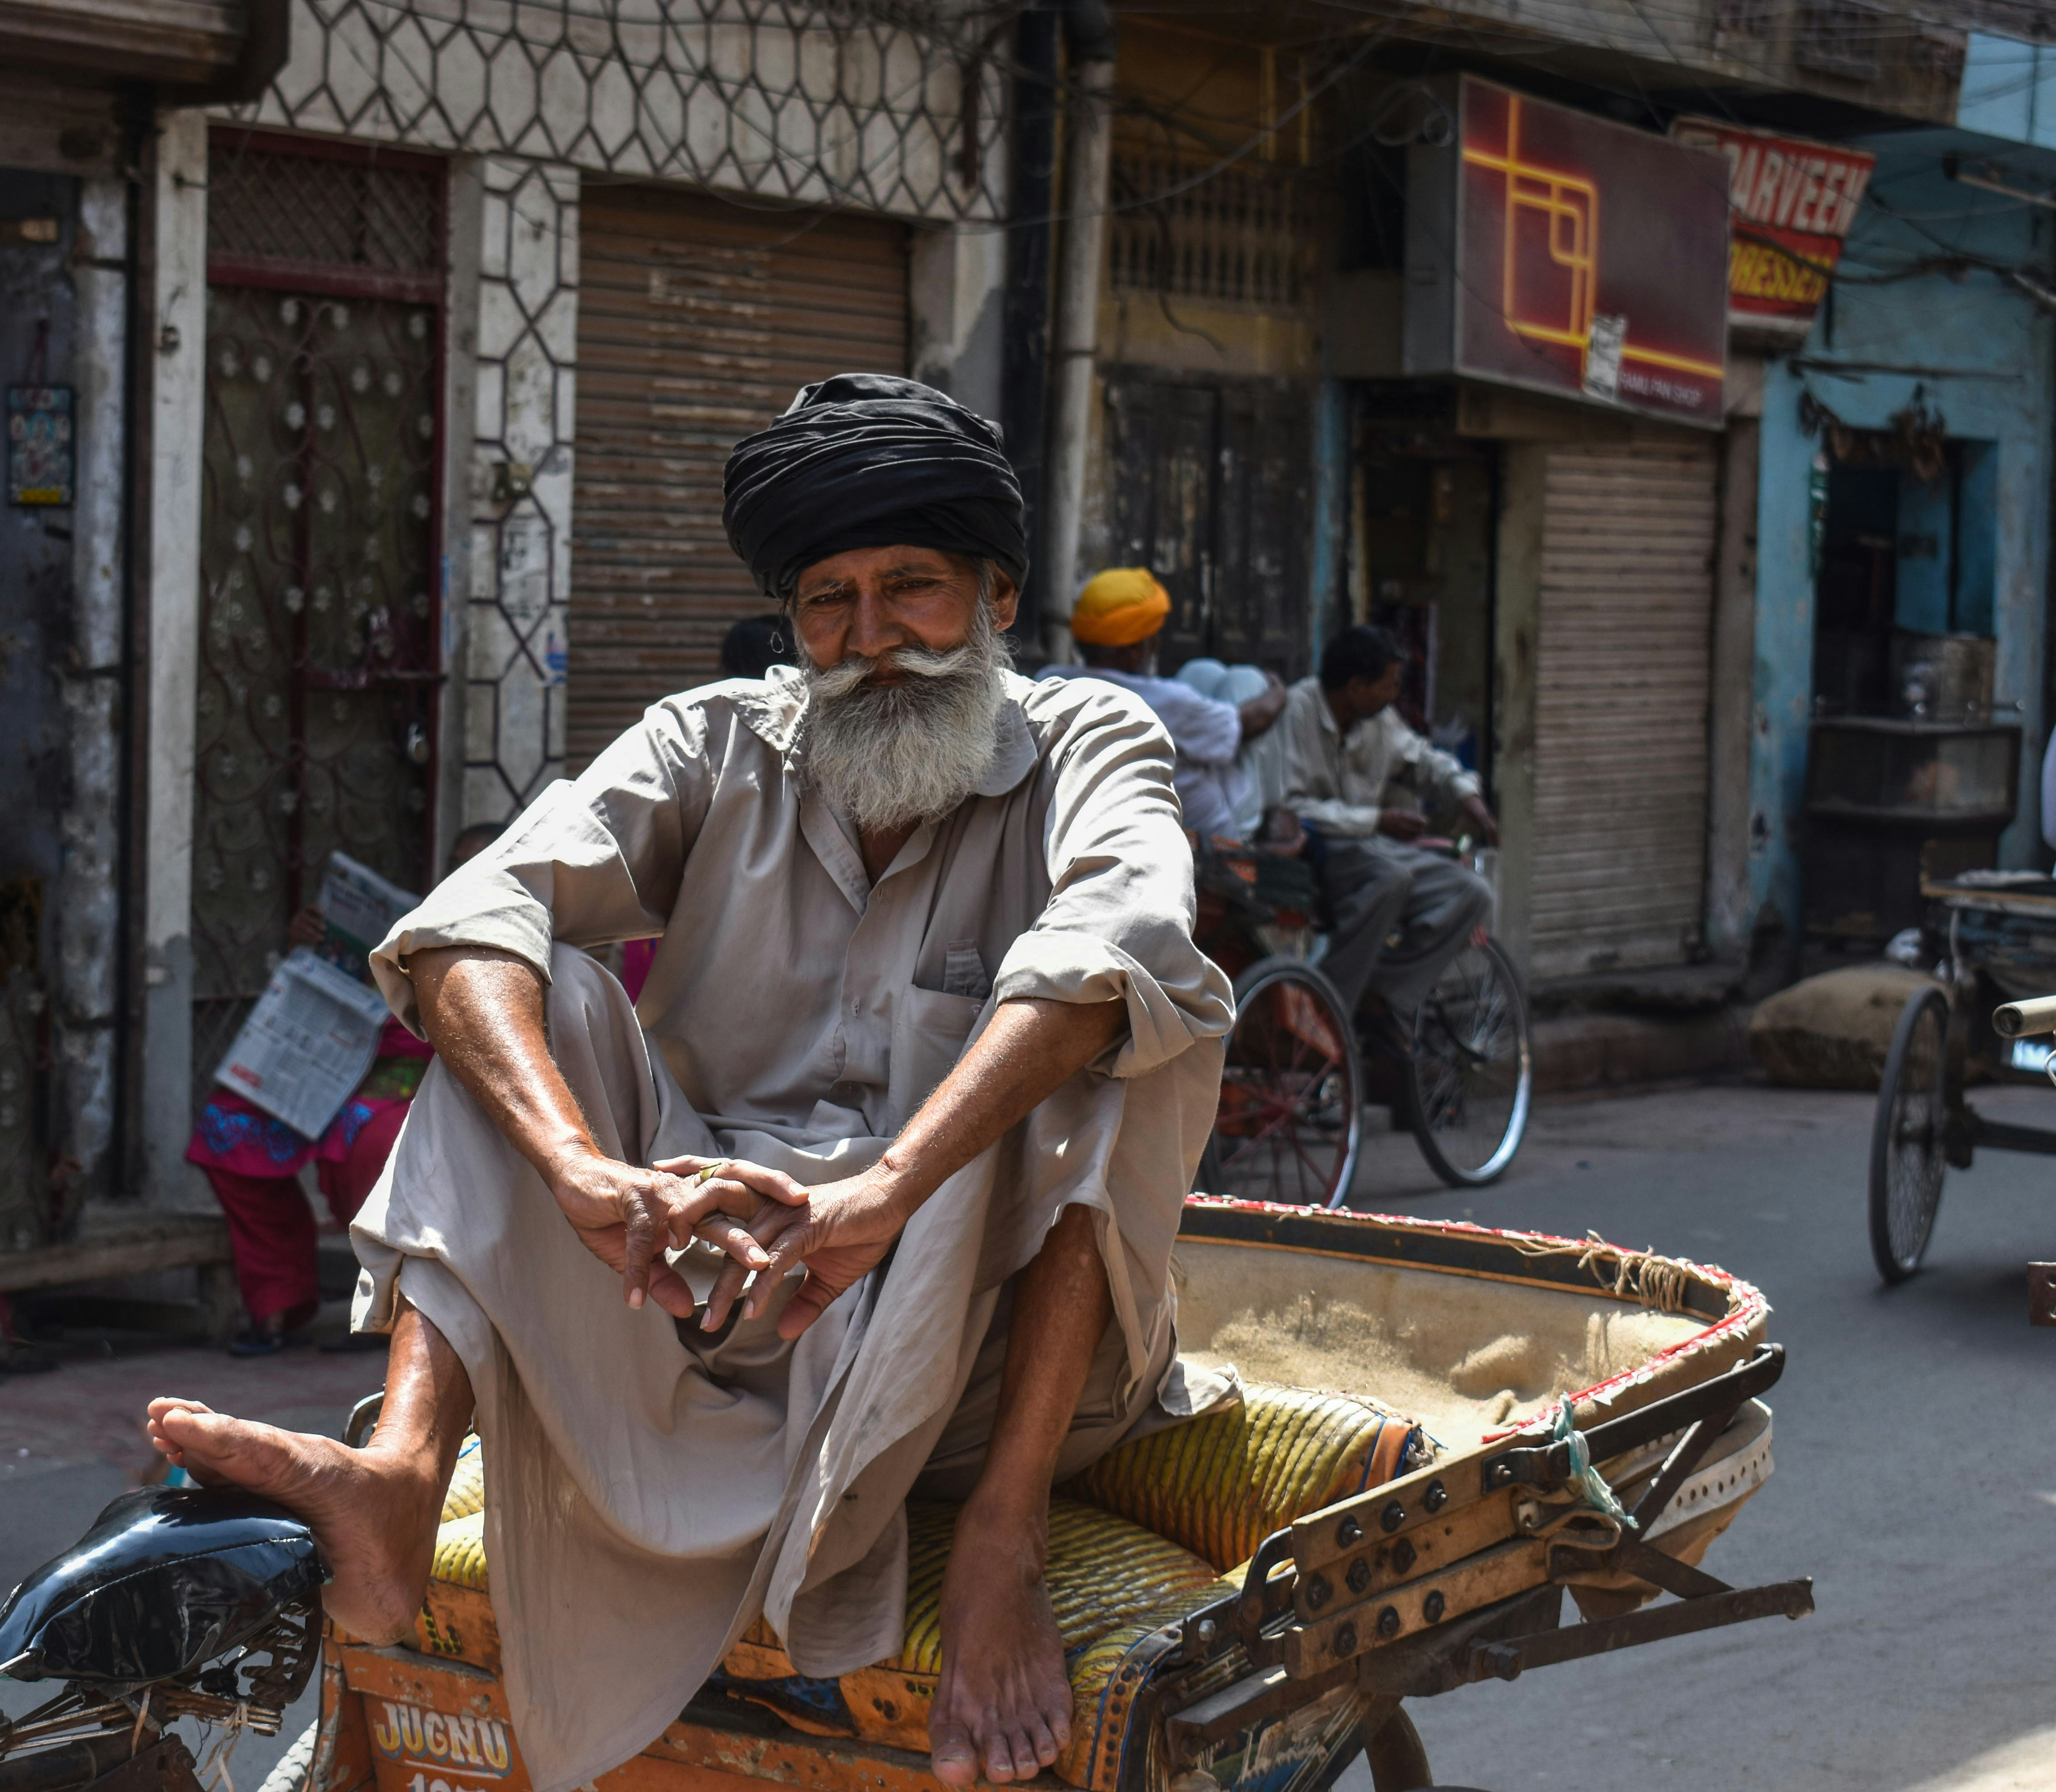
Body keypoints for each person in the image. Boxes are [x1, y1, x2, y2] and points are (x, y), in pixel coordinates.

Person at [142, 373, 1233, 1791]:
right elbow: (475, 915)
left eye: (910, 587)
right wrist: (585, 1173)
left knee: (1101, 1032)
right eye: (826, 601)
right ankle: (400, 1475)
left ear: (996, 600)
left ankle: (1000, 1541)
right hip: (706, 1306)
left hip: (973, 1348)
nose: (867, 637)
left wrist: (884, 1192)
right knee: (516, 999)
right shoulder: (715, 737)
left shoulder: (1090, 740)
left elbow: (1120, 942)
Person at [185, 821, 505, 1354]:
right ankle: (279, 1301)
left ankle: (391, 1310)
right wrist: (307, 944)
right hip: (330, 1054)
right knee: (232, 1127)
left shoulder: (520, 931)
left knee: (366, 1142)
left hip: (413, 1073)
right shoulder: (416, 917)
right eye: (456, 862)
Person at [1265, 623, 1500, 1042]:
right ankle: (1328, 1004)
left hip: (1371, 846)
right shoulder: (1298, 712)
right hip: (1319, 849)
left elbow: (1421, 760)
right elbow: (1292, 807)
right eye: (1388, 685)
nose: (1394, 694)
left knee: (1472, 893)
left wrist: (1467, 795)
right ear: (1357, 687)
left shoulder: (1379, 721)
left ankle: (1385, 993)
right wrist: (1376, 820)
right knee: (1390, 877)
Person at [1039, 568, 1286, 842]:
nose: (1157, 647)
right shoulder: (1166, 702)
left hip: (1095, 820)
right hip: (1207, 837)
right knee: (1247, 682)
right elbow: (1248, 723)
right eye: (1153, 640)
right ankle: (1274, 822)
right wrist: (1278, 690)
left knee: (1202, 672)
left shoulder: (1050, 681)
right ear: (1133, 652)